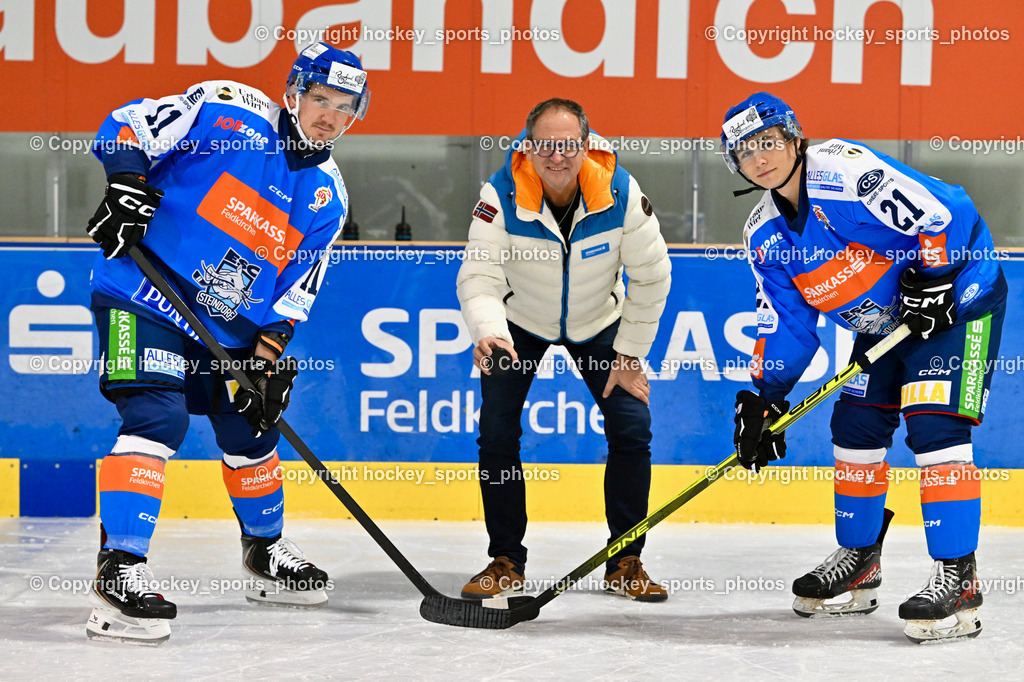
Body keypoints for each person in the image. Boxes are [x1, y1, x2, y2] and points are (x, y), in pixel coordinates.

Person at [83, 42, 370, 644]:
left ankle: (264, 554)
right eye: (320, 99)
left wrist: (266, 358)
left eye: (345, 108)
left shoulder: (328, 196)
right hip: (145, 294)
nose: (329, 117)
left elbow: (296, 291)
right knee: (156, 419)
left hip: (228, 329)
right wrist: (128, 183)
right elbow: (125, 125)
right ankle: (121, 570)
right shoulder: (225, 109)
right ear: (294, 92)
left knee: (252, 429)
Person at [721, 92, 1006, 643]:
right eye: (745, 152)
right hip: (884, 327)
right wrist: (765, 395)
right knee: (854, 428)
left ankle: (959, 578)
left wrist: (934, 278)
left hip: (958, 301)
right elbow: (786, 321)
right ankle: (860, 559)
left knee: (935, 426)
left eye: (768, 142)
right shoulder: (763, 232)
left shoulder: (845, 172)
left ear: (793, 138)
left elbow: (946, 211)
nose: (760, 158)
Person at [456, 99, 672, 602]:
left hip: (599, 322)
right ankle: (506, 559)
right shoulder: (501, 193)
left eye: (568, 144)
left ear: (586, 145)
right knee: (496, 432)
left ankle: (625, 561)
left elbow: (652, 275)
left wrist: (630, 353)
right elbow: (480, 273)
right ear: (528, 147)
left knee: (632, 425)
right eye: (545, 145)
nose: (557, 156)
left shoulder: (620, 192)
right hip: (520, 324)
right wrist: (489, 329)